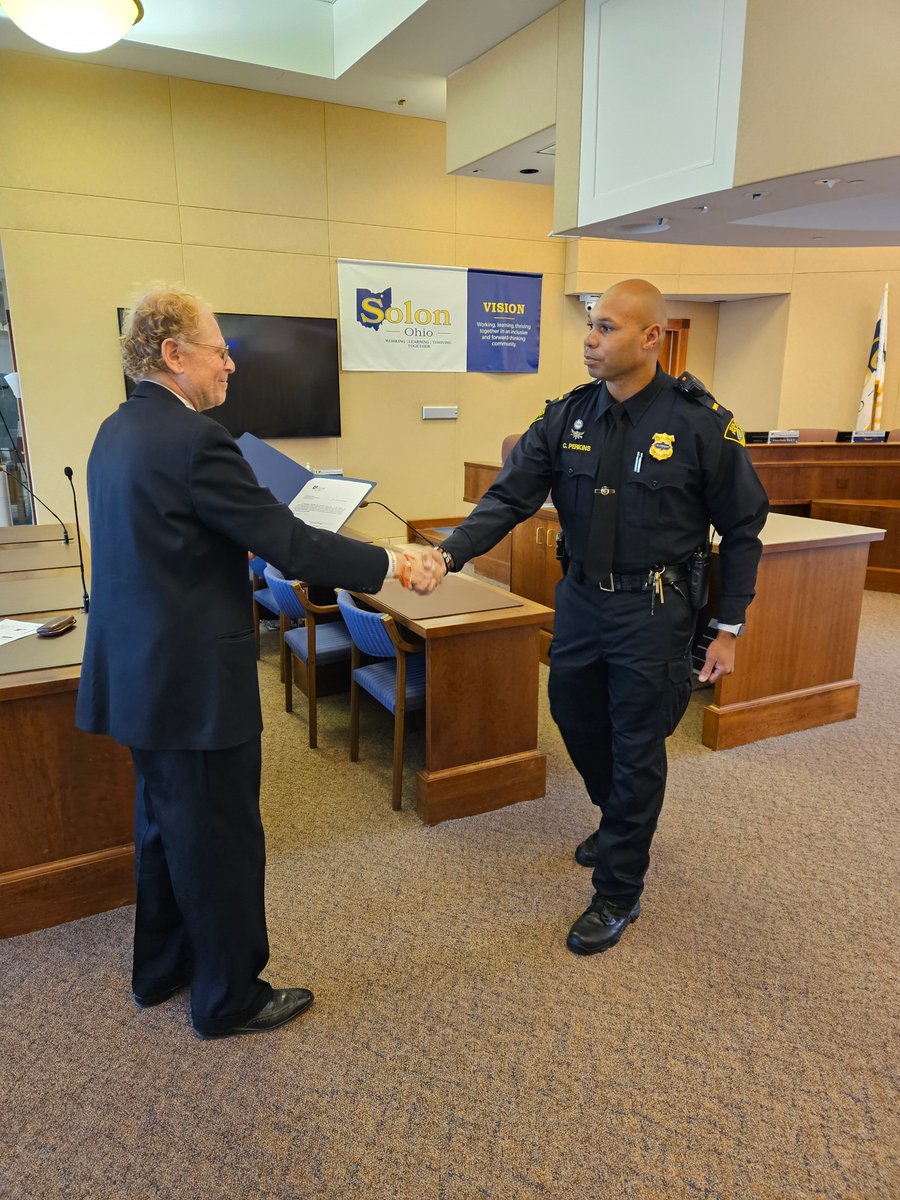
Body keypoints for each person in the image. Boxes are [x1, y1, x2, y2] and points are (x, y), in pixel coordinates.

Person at [76, 287, 439, 1038]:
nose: (230, 364)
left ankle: (161, 969)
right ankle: (228, 999)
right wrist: (394, 561)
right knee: (220, 842)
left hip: (141, 679)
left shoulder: (115, 430)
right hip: (195, 687)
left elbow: (166, 541)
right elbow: (294, 545)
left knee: (164, 829)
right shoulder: (197, 440)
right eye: (219, 350)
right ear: (173, 354)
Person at [425, 279, 768, 955]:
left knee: (637, 744)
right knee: (574, 716)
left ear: (651, 337)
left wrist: (728, 627)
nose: (590, 339)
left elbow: (743, 529)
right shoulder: (568, 416)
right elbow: (509, 498)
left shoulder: (700, 423)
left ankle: (618, 890)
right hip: (581, 599)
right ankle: (620, 822)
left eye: (606, 327)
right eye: (591, 325)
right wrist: (448, 554)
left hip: (655, 608)